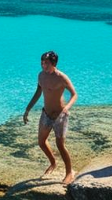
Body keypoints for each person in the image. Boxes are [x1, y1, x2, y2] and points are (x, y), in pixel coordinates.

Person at [22, 50, 80, 184]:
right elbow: (38, 93)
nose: (43, 65)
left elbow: (74, 94)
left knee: (60, 145)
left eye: (46, 63)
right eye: (42, 62)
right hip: (46, 114)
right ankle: (53, 163)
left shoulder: (62, 77)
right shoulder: (41, 76)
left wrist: (66, 108)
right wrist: (27, 109)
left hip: (60, 115)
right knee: (41, 142)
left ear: (53, 63)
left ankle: (69, 173)